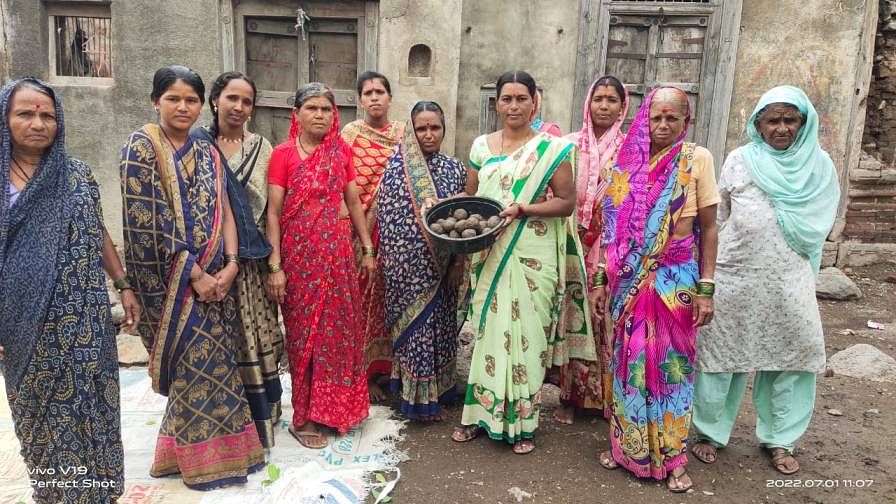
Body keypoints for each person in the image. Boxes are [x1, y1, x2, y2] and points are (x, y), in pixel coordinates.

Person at [121, 65, 265, 490]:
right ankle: (201, 461)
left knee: (217, 366)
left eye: (191, 100)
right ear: (155, 101)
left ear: (202, 105)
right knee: (194, 367)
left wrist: (233, 263)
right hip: (173, 286)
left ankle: (197, 455)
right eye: (173, 98)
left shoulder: (205, 151)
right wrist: (195, 274)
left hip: (219, 278)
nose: (183, 107)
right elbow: (149, 221)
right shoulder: (141, 147)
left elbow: (224, 209)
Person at [0, 77, 139, 504]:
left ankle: (97, 492)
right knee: (41, 415)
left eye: (48, 115)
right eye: (25, 113)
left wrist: (123, 284)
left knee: (92, 406)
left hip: (84, 318)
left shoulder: (76, 173)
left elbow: (96, 232)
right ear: (5, 119)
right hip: (22, 324)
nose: (38, 123)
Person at [691, 86, 840, 475]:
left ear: (804, 123)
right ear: (757, 123)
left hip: (789, 277)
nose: (781, 128)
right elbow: (718, 216)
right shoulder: (740, 160)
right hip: (735, 273)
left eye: (790, 120)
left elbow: (821, 224)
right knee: (720, 356)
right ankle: (710, 433)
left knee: (791, 357)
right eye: (772, 120)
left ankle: (780, 439)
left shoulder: (820, 166)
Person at [451, 70, 594, 455]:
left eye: (521, 98)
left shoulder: (553, 148)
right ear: (496, 103)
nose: (514, 106)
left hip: (533, 252)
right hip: (491, 252)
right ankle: (479, 416)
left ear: (535, 102)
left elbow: (566, 202)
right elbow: (470, 199)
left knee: (527, 339)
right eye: (506, 99)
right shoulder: (481, 146)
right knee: (487, 335)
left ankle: (524, 423)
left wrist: (524, 208)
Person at [595, 87, 719, 493]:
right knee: (629, 366)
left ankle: (673, 457)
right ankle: (627, 446)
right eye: (656, 118)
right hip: (627, 281)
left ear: (687, 122)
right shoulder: (625, 164)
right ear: (644, 119)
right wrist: (600, 279)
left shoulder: (696, 159)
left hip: (675, 283)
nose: (663, 126)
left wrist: (706, 288)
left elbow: (709, 227)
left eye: (673, 119)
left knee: (672, 371)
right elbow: (610, 231)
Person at [266, 82, 375, 449]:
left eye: (326, 110)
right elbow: (275, 213)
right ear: (296, 114)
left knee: (338, 336)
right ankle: (305, 417)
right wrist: (276, 264)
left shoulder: (340, 152)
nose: (319, 115)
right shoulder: (283, 155)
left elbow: (355, 202)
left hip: (338, 258)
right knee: (303, 338)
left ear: (334, 115)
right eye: (311, 108)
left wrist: (367, 247)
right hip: (298, 261)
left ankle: (336, 410)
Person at [192, 71, 284, 449]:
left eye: (247, 101)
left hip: (252, 263)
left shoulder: (264, 148)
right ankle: (223, 423)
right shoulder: (196, 145)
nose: (239, 107)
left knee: (256, 338)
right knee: (220, 343)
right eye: (232, 98)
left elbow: (273, 212)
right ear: (215, 100)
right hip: (208, 265)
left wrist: (275, 266)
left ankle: (261, 420)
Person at [377, 101, 467, 421]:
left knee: (441, 328)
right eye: (421, 128)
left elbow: (463, 221)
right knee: (415, 328)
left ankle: (441, 391)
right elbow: (387, 220)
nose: (428, 134)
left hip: (444, 267)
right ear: (411, 131)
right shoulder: (394, 168)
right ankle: (416, 401)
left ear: (444, 129)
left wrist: (457, 262)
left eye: (435, 127)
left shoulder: (456, 169)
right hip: (406, 269)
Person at [553, 75, 629, 425]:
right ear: (588, 103)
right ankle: (569, 396)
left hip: (610, 246)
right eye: (598, 98)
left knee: (604, 320)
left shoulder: (631, 150)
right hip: (572, 241)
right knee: (571, 317)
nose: (604, 105)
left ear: (622, 107)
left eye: (612, 100)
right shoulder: (567, 146)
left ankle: (602, 397)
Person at [340, 71, 403, 401]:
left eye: (381, 91)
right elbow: (342, 183)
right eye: (368, 92)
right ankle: (359, 374)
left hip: (392, 234)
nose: (375, 97)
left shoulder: (404, 136)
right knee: (359, 303)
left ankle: (385, 372)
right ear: (360, 100)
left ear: (390, 98)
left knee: (386, 302)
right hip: (356, 232)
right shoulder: (349, 135)